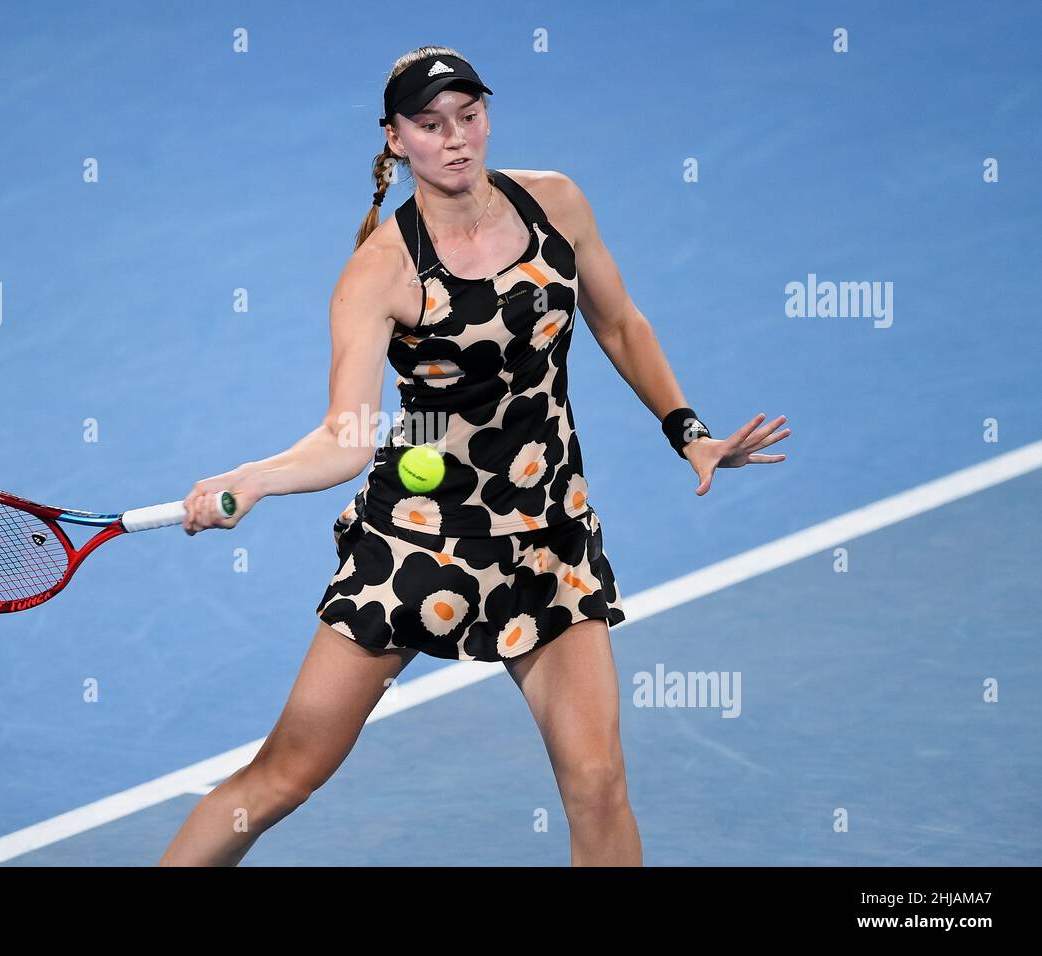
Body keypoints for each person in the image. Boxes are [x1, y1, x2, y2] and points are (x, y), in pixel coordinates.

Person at [159, 46, 789, 867]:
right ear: (394, 140)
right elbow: (349, 436)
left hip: (549, 536)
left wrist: (688, 431)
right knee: (285, 776)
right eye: (429, 125)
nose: (456, 139)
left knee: (599, 787)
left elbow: (620, 322)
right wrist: (256, 479)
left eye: (469, 116)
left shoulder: (555, 202)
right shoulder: (380, 271)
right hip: (421, 542)